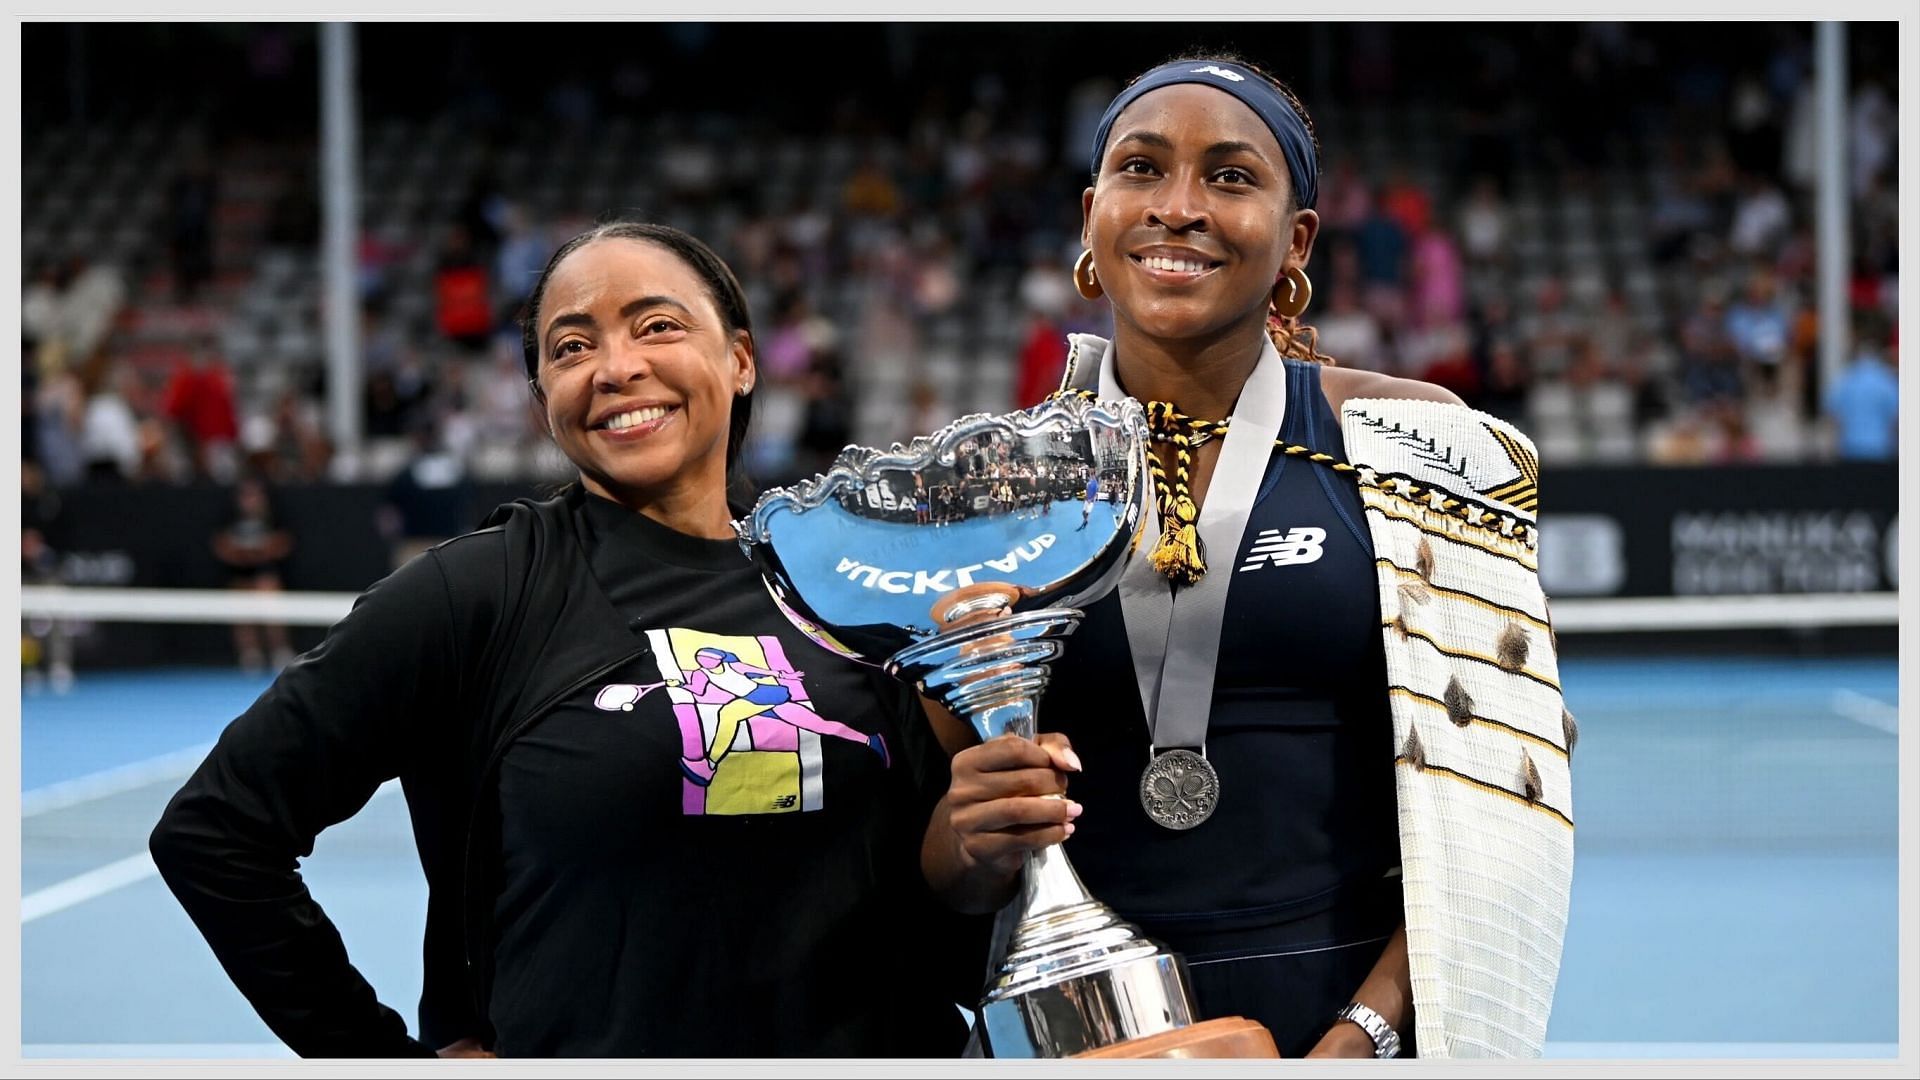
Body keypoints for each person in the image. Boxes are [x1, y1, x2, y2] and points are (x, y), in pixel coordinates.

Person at [150, 222, 981, 1058]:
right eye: (571, 346)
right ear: (543, 395)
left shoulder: (856, 589)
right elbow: (216, 834)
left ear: (740, 360)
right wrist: (381, 1063)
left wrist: (983, 842)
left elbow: (935, 887)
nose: (617, 368)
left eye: (658, 326)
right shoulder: (474, 595)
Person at [919, 56, 1574, 1059]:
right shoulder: (989, 487)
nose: (1179, 207)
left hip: (1361, 1031)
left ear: (1296, 236)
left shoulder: (1412, 438)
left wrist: (1362, 1037)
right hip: (1083, 1036)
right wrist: (971, 840)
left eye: (1230, 177)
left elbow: (1507, 793)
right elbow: (936, 863)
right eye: (1142, 170)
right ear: (1093, 215)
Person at [211, 475, 296, 673]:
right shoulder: (229, 517)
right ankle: (250, 655)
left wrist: (261, 552)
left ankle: (279, 651)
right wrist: (241, 555)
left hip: (265, 574)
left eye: (255, 495)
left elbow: (284, 543)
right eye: (247, 496)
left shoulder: (274, 516)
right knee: (241, 609)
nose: (251, 500)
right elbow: (220, 545)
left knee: (270, 601)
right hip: (239, 575)